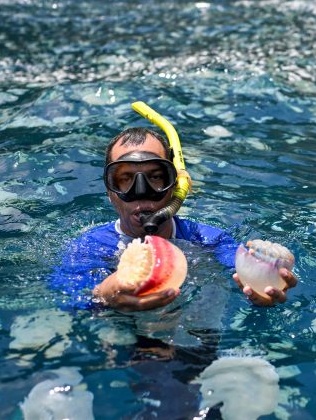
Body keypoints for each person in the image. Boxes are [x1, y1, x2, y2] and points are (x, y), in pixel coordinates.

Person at [49, 125, 298, 311]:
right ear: (109, 191)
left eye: (156, 177)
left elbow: (240, 271)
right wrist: (104, 294)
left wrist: (264, 281)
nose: (141, 191)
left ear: (176, 185)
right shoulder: (90, 246)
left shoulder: (208, 240)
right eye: (125, 178)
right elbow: (66, 300)